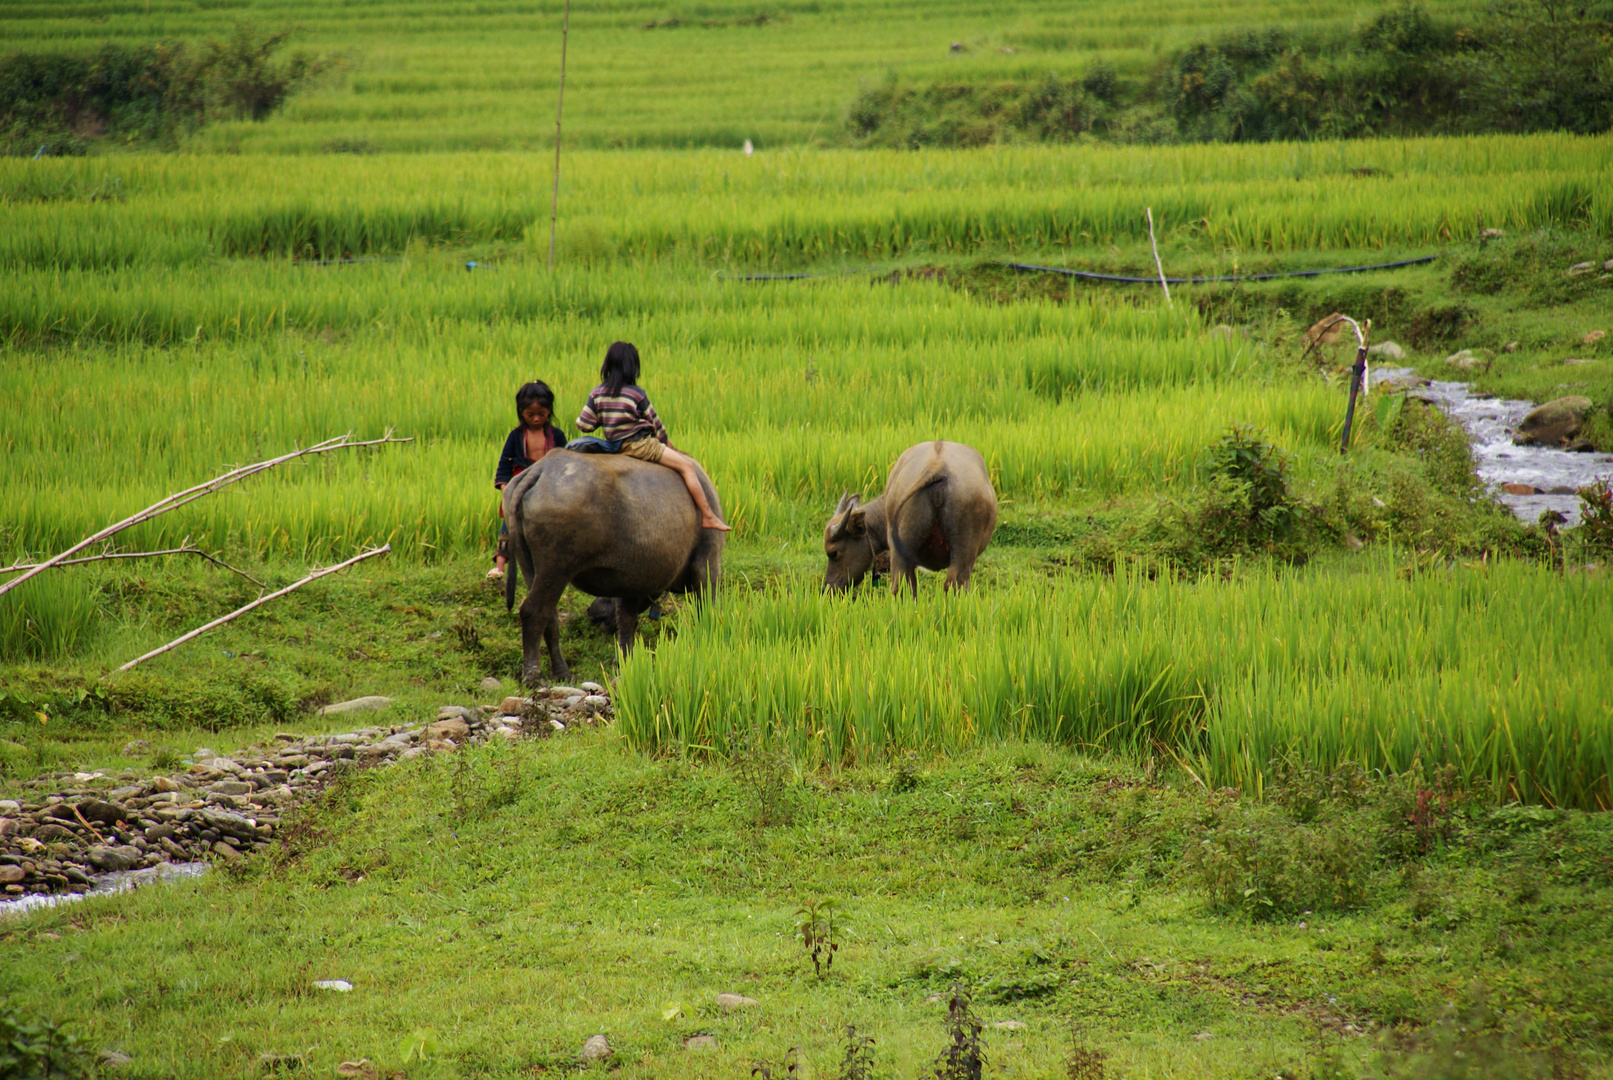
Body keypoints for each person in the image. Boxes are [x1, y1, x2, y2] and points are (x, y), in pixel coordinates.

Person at [574, 341, 730, 531]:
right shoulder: (636, 393)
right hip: (639, 445)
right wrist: (667, 443)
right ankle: (708, 515)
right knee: (687, 467)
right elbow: (656, 424)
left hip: (614, 445)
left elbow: (584, 425)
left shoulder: (597, 393)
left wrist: (606, 418)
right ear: (633, 367)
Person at [489, 380, 568, 580]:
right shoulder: (515, 436)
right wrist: (505, 489)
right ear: (521, 412)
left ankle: (554, 568)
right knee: (509, 526)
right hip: (520, 489)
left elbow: (566, 463)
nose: (535, 419)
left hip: (549, 489)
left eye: (540, 414)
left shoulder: (557, 436)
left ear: (549, 411)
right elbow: (504, 466)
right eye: (530, 415)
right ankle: (499, 566)